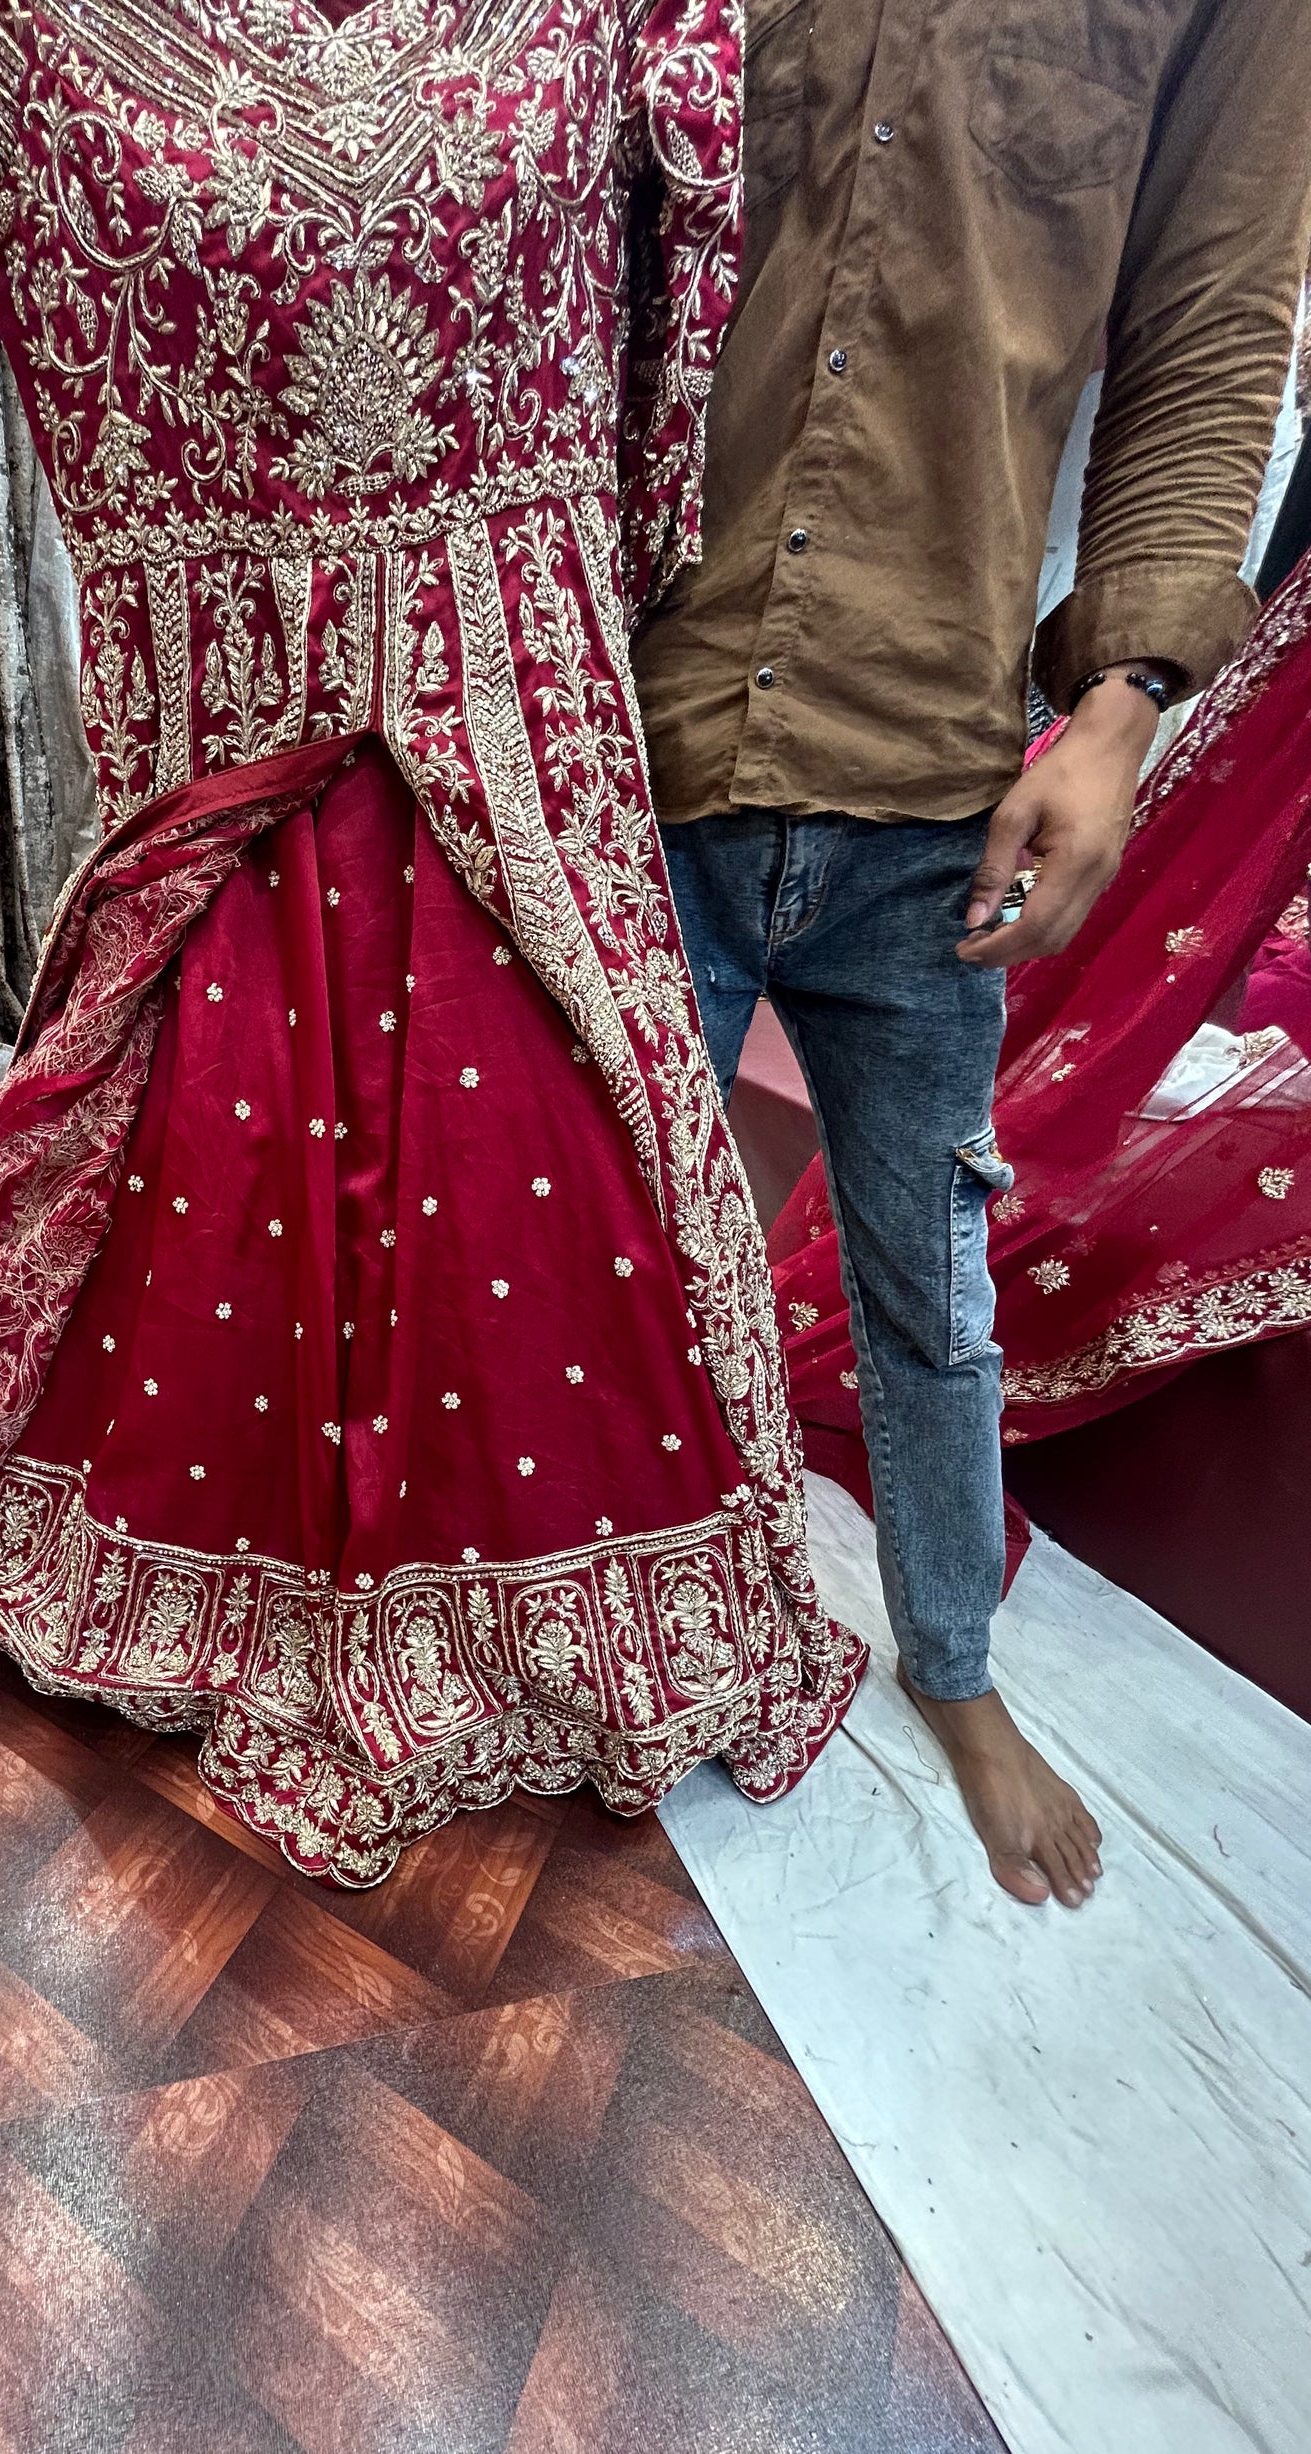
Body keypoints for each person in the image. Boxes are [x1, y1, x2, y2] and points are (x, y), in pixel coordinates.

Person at [0, 0, 866, 1887]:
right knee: (208, 1160)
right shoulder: (11, 34)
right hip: (208, 744)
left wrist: (640, 506)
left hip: (519, 732)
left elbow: (682, 353)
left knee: (544, 1181)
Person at [633, 0, 1311, 1909]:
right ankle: (615, 1620)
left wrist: (1124, 701)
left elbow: (1207, 314)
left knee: (931, 1281)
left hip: (933, 793)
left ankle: (950, 1662)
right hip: (625, 739)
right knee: (595, 1255)